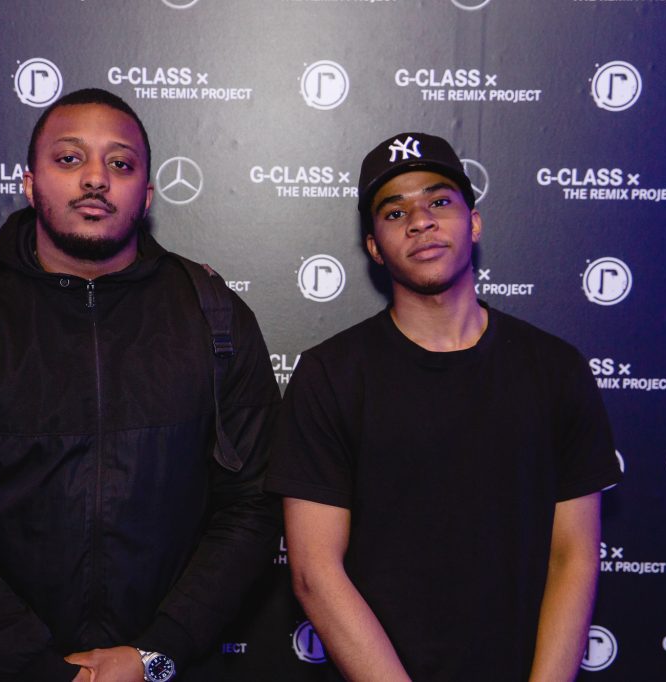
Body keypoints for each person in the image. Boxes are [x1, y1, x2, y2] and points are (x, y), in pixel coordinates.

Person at [0, 88, 281, 682]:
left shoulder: (215, 318)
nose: (96, 178)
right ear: (29, 184)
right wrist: (41, 670)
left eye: (120, 163)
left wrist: (156, 654)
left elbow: (251, 506)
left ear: (146, 195)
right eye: (69, 158)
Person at [265, 133, 622, 681]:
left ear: (473, 223)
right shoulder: (330, 376)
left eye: (438, 201)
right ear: (374, 247)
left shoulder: (555, 369)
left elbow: (572, 555)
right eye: (395, 212)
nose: (420, 221)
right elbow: (315, 572)